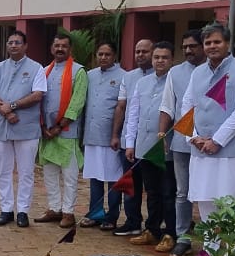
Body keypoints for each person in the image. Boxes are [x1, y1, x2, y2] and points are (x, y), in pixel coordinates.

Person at [181, 23, 235, 256]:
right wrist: (192, 136)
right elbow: (187, 105)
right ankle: (210, 254)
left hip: (229, 152)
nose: (212, 46)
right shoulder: (198, 73)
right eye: (208, 43)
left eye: (217, 42)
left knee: (228, 203)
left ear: (227, 44)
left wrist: (217, 140)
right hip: (200, 149)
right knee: (204, 202)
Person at [0, 30, 47, 228]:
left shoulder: (36, 68)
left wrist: (12, 106)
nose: (13, 45)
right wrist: (5, 112)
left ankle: (22, 211)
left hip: (26, 128)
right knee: (3, 170)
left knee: (26, 172)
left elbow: (37, 95)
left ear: (25, 46)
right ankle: (6, 209)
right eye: (10, 42)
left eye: (18, 42)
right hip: (2, 127)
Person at [123, 41, 175, 249]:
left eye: (164, 57)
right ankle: (152, 229)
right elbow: (133, 114)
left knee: (168, 191)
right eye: (157, 57)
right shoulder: (142, 83)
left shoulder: (174, 82)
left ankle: (170, 233)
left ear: (172, 60)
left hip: (167, 147)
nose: (160, 61)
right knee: (151, 191)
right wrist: (130, 143)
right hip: (144, 145)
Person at [159, 29, 207, 254]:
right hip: (181, 141)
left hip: (210, 143)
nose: (188, 50)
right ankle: (183, 238)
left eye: (193, 46)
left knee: (208, 192)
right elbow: (168, 106)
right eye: (185, 46)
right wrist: (162, 134)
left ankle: (211, 242)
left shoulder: (213, 71)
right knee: (183, 192)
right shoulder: (175, 73)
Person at [35, 33, 87, 228]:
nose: (60, 49)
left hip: (67, 132)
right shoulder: (44, 71)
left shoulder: (78, 71)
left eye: (64, 46)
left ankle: (69, 212)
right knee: (49, 173)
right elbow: (38, 99)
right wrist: (43, 127)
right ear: (51, 48)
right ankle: (54, 208)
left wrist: (59, 126)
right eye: (57, 45)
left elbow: (77, 103)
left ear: (70, 49)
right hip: (47, 133)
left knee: (70, 175)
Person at [80, 42, 127, 231]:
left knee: (114, 179)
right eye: (100, 53)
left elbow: (122, 107)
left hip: (111, 138)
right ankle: (95, 213)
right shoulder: (89, 75)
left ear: (114, 55)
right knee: (95, 177)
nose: (103, 57)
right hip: (91, 135)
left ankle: (112, 216)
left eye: (107, 54)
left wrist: (116, 134)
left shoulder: (124, 76)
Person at [115, 38, 153, 237]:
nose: (140, 55)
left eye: (145, 51)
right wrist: (116, 134)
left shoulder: (163, 76)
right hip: (129, 140)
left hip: (152, 143)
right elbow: (122, 107)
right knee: (130, 184)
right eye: (137, 51)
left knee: (154, 188)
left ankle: (154, 226)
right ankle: (132, 222)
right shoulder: (129, 77)